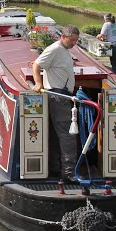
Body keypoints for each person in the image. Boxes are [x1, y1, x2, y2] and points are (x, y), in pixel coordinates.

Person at [32, 25, 82, 185]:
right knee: (68, 135)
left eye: (76, 40)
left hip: (62, 95)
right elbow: (37, 64)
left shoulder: (64, 50)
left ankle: (55, 167)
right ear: (64, 37)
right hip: (58, 96)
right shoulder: (54, 49)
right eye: (72, 40)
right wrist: (38, 83)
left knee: (56, 134)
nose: (74, 43)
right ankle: (68, 173)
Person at [97, 12, 116, 80]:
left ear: (106, 19)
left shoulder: (106, 24)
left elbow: (102, 35)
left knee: (115, 63)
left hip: (115, 45)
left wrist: (98, 36)